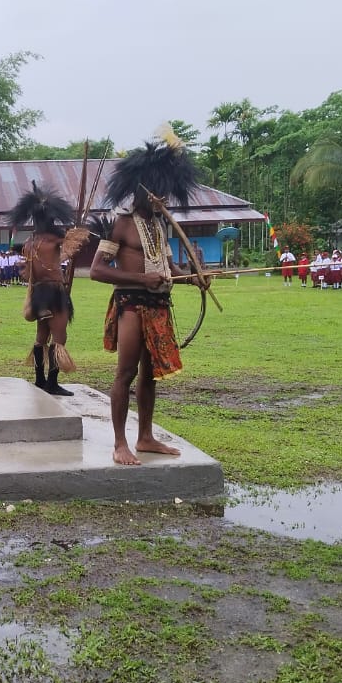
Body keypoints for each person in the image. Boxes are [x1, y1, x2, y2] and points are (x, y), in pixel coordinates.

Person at [89, 136, 208, 466]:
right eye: (159, 191)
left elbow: (170, 267)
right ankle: (119, 444)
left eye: (167, 192)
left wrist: (192, 277)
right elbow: (97, 271)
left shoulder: (158, 225)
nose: (164, 198)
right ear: (142, 189)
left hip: (157, 307)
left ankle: (145, 437)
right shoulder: (121, 224)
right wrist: (143, 279)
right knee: (125, 373)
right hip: (131, 306)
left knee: (149, 374)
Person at [10, 182, 83, 396]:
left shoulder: (31, 243)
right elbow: (75, 243)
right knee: (59, 338)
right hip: (54, 294)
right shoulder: (55, 240)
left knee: (41, 336)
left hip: (39, 296)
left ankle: (39, 379)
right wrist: (77, 233)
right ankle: (51, 382)